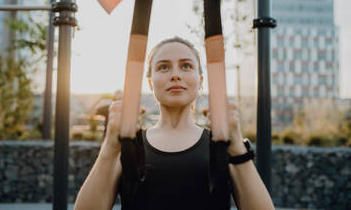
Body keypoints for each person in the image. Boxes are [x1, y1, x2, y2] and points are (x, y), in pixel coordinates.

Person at [74, 37, 275, 210]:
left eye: (186, 66)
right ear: (151, 83)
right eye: (164, 67)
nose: (175, 74)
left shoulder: (224, 144)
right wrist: (109, 147)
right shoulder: (127, 145)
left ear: (200, 80)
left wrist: (237, 145)